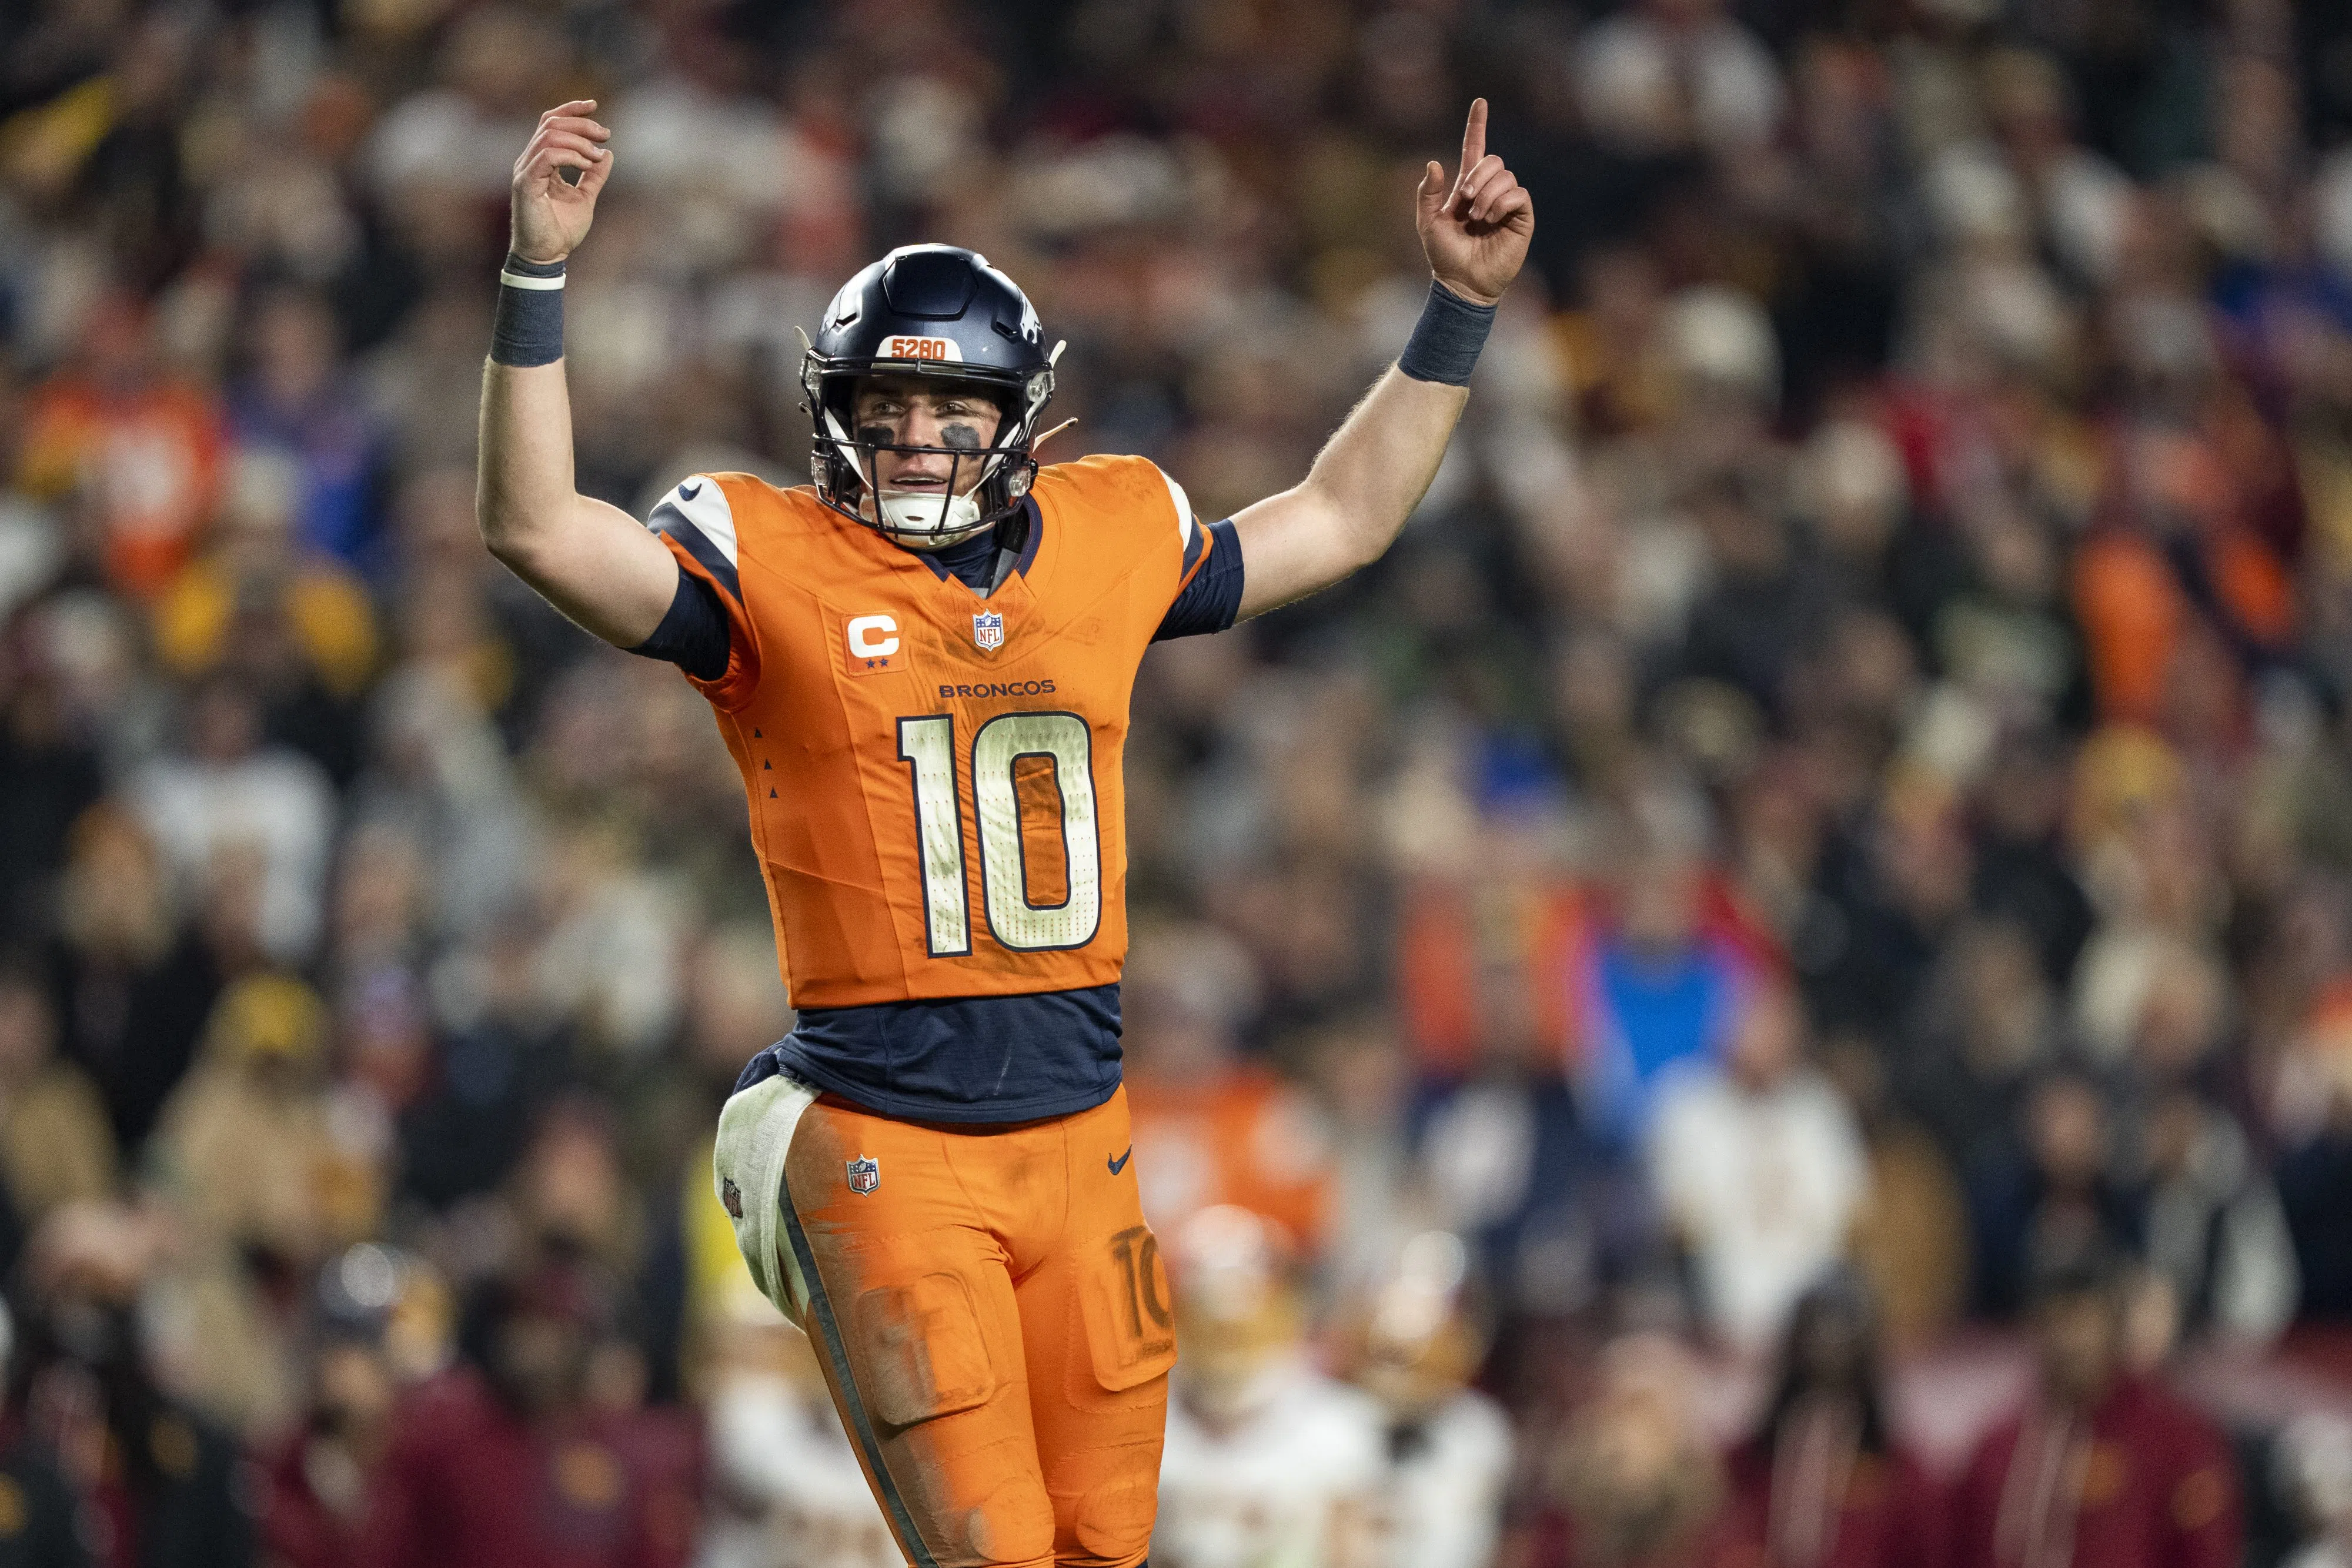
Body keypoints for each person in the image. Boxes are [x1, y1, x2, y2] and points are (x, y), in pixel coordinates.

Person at [476, 88, 1532, 1568]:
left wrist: (1456, 315)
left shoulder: (1108, 535)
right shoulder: (767, 558)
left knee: (1105, 1547)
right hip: (889, 1144)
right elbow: (535, 528)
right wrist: (536, 277)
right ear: (834, 418)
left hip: (1084, 1142)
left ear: (1016, 416)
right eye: (885, 413)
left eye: (951, 412)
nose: (915, 443)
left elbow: (1339, 518)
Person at [1947, 1252, 2240, 1568]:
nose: (2067, 1339)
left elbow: (2207, 1553)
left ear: (2116, 1329)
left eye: (2083, 1321)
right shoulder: (1999, 1446)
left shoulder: (2176, 1439)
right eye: (2053, 1320)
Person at [1152, 1206, 1385, 1568]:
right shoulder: (1141, 1427)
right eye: (1210, 1323)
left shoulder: (1336, 1431)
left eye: (1244, 1325)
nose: (1227, 1342)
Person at [1717, 1271, 1944, 1568]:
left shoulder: (1903, 1474)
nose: (1826, 1347)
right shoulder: (1747, 1463)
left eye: (1840, 1335)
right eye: (1815, 1332)